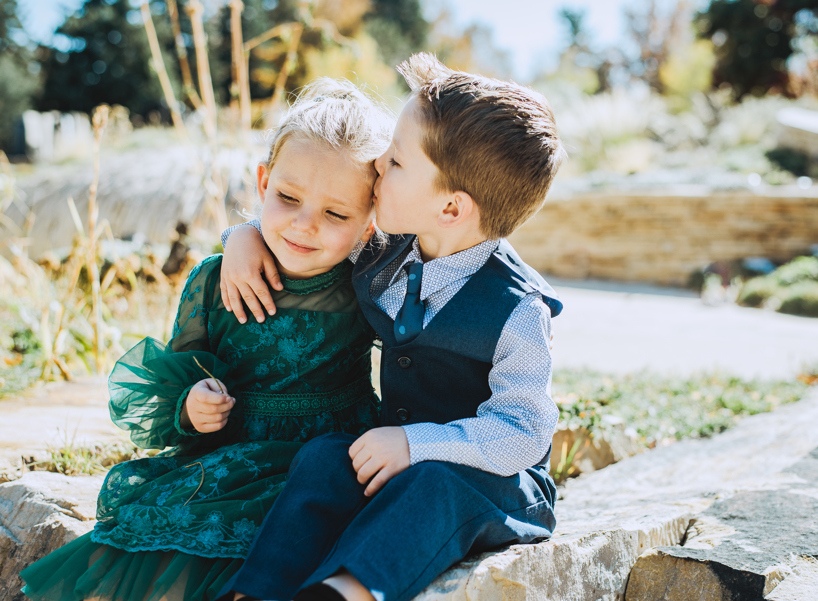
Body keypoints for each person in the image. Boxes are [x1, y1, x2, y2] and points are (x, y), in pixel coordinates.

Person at [20, 78, 395, 601]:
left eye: (336, 214)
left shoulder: (367, 282)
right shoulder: (214, 282)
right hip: (231, 456)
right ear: (263, 183)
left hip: (325, 462)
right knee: (174, 533)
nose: (305, 226)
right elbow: (180, 373)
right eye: (288, 197)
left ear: (370, 223)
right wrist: (192, 404)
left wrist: (239, 233)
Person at [213, 53, 566, 601]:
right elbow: (306, 238)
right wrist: (242, 237)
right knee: (328, 457)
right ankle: (257, 591)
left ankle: (348, 590)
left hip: (488, 482)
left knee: (432, 487)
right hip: (393, 453)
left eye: (395, 162)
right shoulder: (386, 252)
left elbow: (522, 433)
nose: (377, 168)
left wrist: (416, 443)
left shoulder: (518, 309)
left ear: (451, 209)